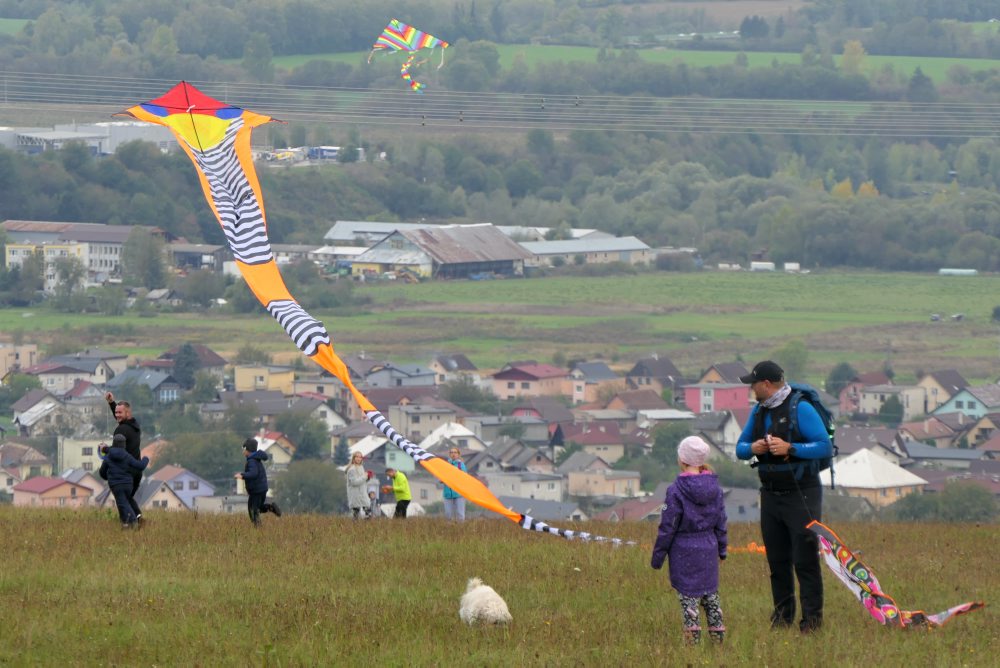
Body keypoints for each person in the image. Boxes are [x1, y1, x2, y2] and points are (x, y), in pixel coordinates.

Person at [735, 360, 833, 634]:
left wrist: (791, 448)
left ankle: (812, 623)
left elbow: (825, 446)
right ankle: (782, 620)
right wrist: (752, 447)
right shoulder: (758, 411)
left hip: (803, 493)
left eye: (752, 384)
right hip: (770, 495)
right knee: (777, 562)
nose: (750, 390)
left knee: (805, 561)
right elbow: (740, 449)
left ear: (766, 384)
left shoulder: (800, 407)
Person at [651, 436, 727, 645]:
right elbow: (721, 521)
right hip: (709, 548)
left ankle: (692, 643)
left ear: (682, 459)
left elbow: (668, 526)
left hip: (684, 551)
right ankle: (718, 642)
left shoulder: (675, 490)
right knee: (711, 596)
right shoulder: (716, 489)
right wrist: (722, 549)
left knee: (689, 598)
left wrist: (658, 556)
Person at [105, 392, 143, 524]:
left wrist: (104, 449)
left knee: (122, 499)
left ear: (128, 413)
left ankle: (129, 523)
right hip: (137, 469)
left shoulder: (121, 431)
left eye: (120, 413)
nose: (117, 415)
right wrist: (112, 403)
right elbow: (120, 418)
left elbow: (116, 452)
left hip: (127, 472)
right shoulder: (134, 425)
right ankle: (137, 518)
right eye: (116, 412)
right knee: (127, 497)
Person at [98, 434, 150, 529]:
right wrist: (146, 459)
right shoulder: (127, 456)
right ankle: (126, 525)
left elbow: (102, 472)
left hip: (116, 485)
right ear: (124, 445)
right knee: (123, 503)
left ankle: (134, 522)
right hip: (128, 485)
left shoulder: (108, 456)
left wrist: (108, 477)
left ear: (114, 443)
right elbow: (140, 466)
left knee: (122, 504)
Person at [235, 438, 281, 526]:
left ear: (247, 450)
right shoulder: (255, 459)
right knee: (258, 507)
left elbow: (253, 473)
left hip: (256, 491)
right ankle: (271, 508)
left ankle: (258, 528)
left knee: (253, 510)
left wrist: (242, 475)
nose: (242, 451)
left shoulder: (252, 461)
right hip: (261, 489)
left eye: (243, 449)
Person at [442, 447, 468, 521]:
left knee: (460, 514)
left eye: (455, 452)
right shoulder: (446, 465)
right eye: (451, 452)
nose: (453, 454)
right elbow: (441, 476)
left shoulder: (461, 465)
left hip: (459, 493)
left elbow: (465, 477)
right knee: (448, 514)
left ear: (458, 454)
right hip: (447, 493)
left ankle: (461, 530)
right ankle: (449, 530)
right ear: (449, 454)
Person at [344, 451, 369, 519]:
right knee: (356, 515)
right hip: (355, 494)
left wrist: (368, 477)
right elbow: (354, 482)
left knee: (368, 512)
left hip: (362, 493)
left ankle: (367, 528)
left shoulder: (361, 467)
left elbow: (362, 481)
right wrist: (365, 476)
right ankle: (354, 528)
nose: (358, 458)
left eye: (360, 457)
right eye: (357, 457)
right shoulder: (352, 469)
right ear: (353, 458)